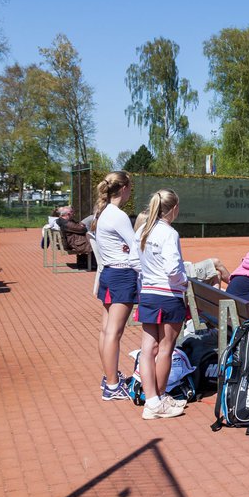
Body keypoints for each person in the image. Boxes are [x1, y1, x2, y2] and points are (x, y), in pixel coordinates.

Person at [135, 189, 189, 420]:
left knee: (148, 349)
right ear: (174, 208)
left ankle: (153, 402)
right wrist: (184, 281)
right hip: (168, 295)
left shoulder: (142, 230)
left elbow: (133, 262)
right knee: (165, 348)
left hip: (147, 293)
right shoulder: (169, 233)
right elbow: (173, 269)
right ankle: (159, 399)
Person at [93, 171, 139, 402]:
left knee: (106, 330)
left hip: (110, 274)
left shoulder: (103, 213)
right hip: (121, 275)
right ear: (123, 189)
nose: (131, 191)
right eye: (130, 187)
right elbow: (136, 246)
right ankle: (112, 385)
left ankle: (110, 378)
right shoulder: (118, 215)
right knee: (114, 332)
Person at [55, 205, 92, 270]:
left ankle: (85, 263)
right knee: (95, 244)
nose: (74, 214)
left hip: (72, 242)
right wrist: (82, 226)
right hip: (75, 244)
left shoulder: (64, 222)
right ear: (68, 214)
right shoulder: (67, 224)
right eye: (73, 213)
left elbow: (78, 226)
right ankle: (92, 264)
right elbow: (83, 229)